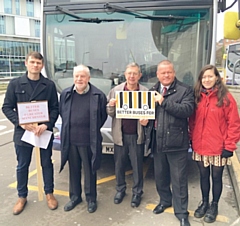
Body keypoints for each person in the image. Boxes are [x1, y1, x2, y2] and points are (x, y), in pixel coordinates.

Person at [2, 51, 59, 215]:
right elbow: (6, 107)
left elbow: (55, 108)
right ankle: (22, 196)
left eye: (38, 63)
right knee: (22, 165)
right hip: (23, 132)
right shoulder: (15, 84)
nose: (35, 65)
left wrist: (47, 124)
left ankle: (49, 193)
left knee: (46, 163)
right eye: (32, 62)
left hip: (42, 132)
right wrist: (21, 122)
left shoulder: (49, 85)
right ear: (26, 63)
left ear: (42, 65)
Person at [145, 60, 194, 226]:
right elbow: (151, 114)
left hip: (177, 142)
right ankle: (165, 200)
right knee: (160, 176)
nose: (166, 75)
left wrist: (163, 101)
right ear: (157, 75)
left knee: (179, 180)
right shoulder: (152, 90)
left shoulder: (185, 90)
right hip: (158, 142)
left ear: (174, 73)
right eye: (162, 73)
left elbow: (186, 110)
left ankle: (181, 213)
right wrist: (145, 122)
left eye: (169, 72)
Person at [189, 65, 240, 223]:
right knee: (203, 176)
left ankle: (214, 205)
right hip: (200, 145)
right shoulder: (197, 96)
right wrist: (191, 138)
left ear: (217, 78)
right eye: (204, 77)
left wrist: (230, 145)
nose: (207, 80)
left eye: (210, 76)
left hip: (219, 147)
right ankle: (204, 202)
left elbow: (234, 123)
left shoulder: (225, 98)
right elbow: (192, 121)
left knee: (216, 177)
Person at [59, 64, 107, 213]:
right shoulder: (66, 94)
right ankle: (75, 197)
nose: (79, 79)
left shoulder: (98, 95)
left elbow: (102, 117)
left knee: (90, 170)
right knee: (73, 170)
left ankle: (91, 198)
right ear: (73, 78)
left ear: (88, 78)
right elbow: (63, 113)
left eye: (82, 76)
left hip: (88, 141)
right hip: (71, 140)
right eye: (77, 76)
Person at [107, 62, 148, 208]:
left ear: (139, 76)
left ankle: (137, 192)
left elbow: (149, 116)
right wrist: (111, 106)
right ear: (125, 75)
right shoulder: (116, 91)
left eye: (135, 73)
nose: (132, 76)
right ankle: (120, 190)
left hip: (136, 135)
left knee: (137, 166)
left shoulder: (144, 92)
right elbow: (110, 113)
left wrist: (146, 121)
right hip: (120, 135)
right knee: (119, 165)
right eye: (129, 73)